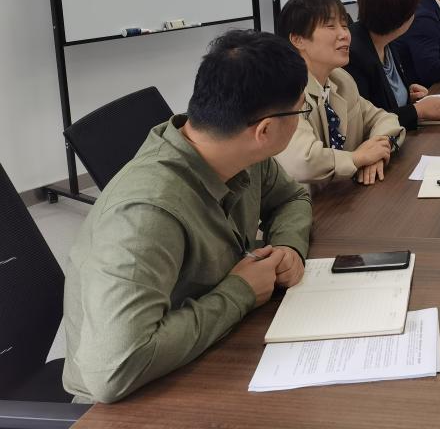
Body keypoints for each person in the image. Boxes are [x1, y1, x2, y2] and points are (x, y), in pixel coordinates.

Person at [63, 30, 313, 403]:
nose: (302, 117)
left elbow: (291, 198)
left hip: (205, 352)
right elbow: (112, 371)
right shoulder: (146, 213)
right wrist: (240, 292)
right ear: (265, 130)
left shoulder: (241, 152)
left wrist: (289, 246)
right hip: (128, 404)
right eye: (301, 109)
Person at [276, 0, 405, 186]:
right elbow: (302, 162)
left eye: (344, 25)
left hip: (343, 197)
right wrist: (357, 158)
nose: (344, 34)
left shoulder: (340, 80)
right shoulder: (285, 92)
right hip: (307, 202)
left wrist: (377, 151)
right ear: (298, 40)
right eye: (330, 26)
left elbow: (385, 118)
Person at [345, 0, 440, 131]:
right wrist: (417, 110)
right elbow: (367, 123)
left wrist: (407, 96)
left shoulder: (388, 40)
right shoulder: (353, 56)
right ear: (401, 18)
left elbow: (385, 101)